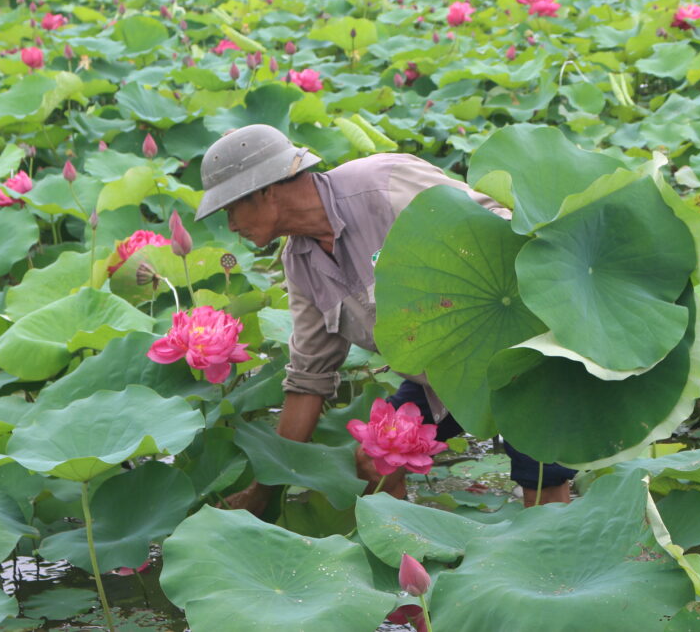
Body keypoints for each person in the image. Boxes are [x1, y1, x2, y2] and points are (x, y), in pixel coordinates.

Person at [194, 124, 575, 512]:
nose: (231, 226)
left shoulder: (384, 187)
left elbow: (503, 226)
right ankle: (418, 558)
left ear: (265, 190)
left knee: (541, 486)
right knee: (376, 461)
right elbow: (310, 376)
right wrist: (265, 490)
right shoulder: (300, 262)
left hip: (516, 354)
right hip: (440, 378)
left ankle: (552, 565)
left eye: (231, 208)